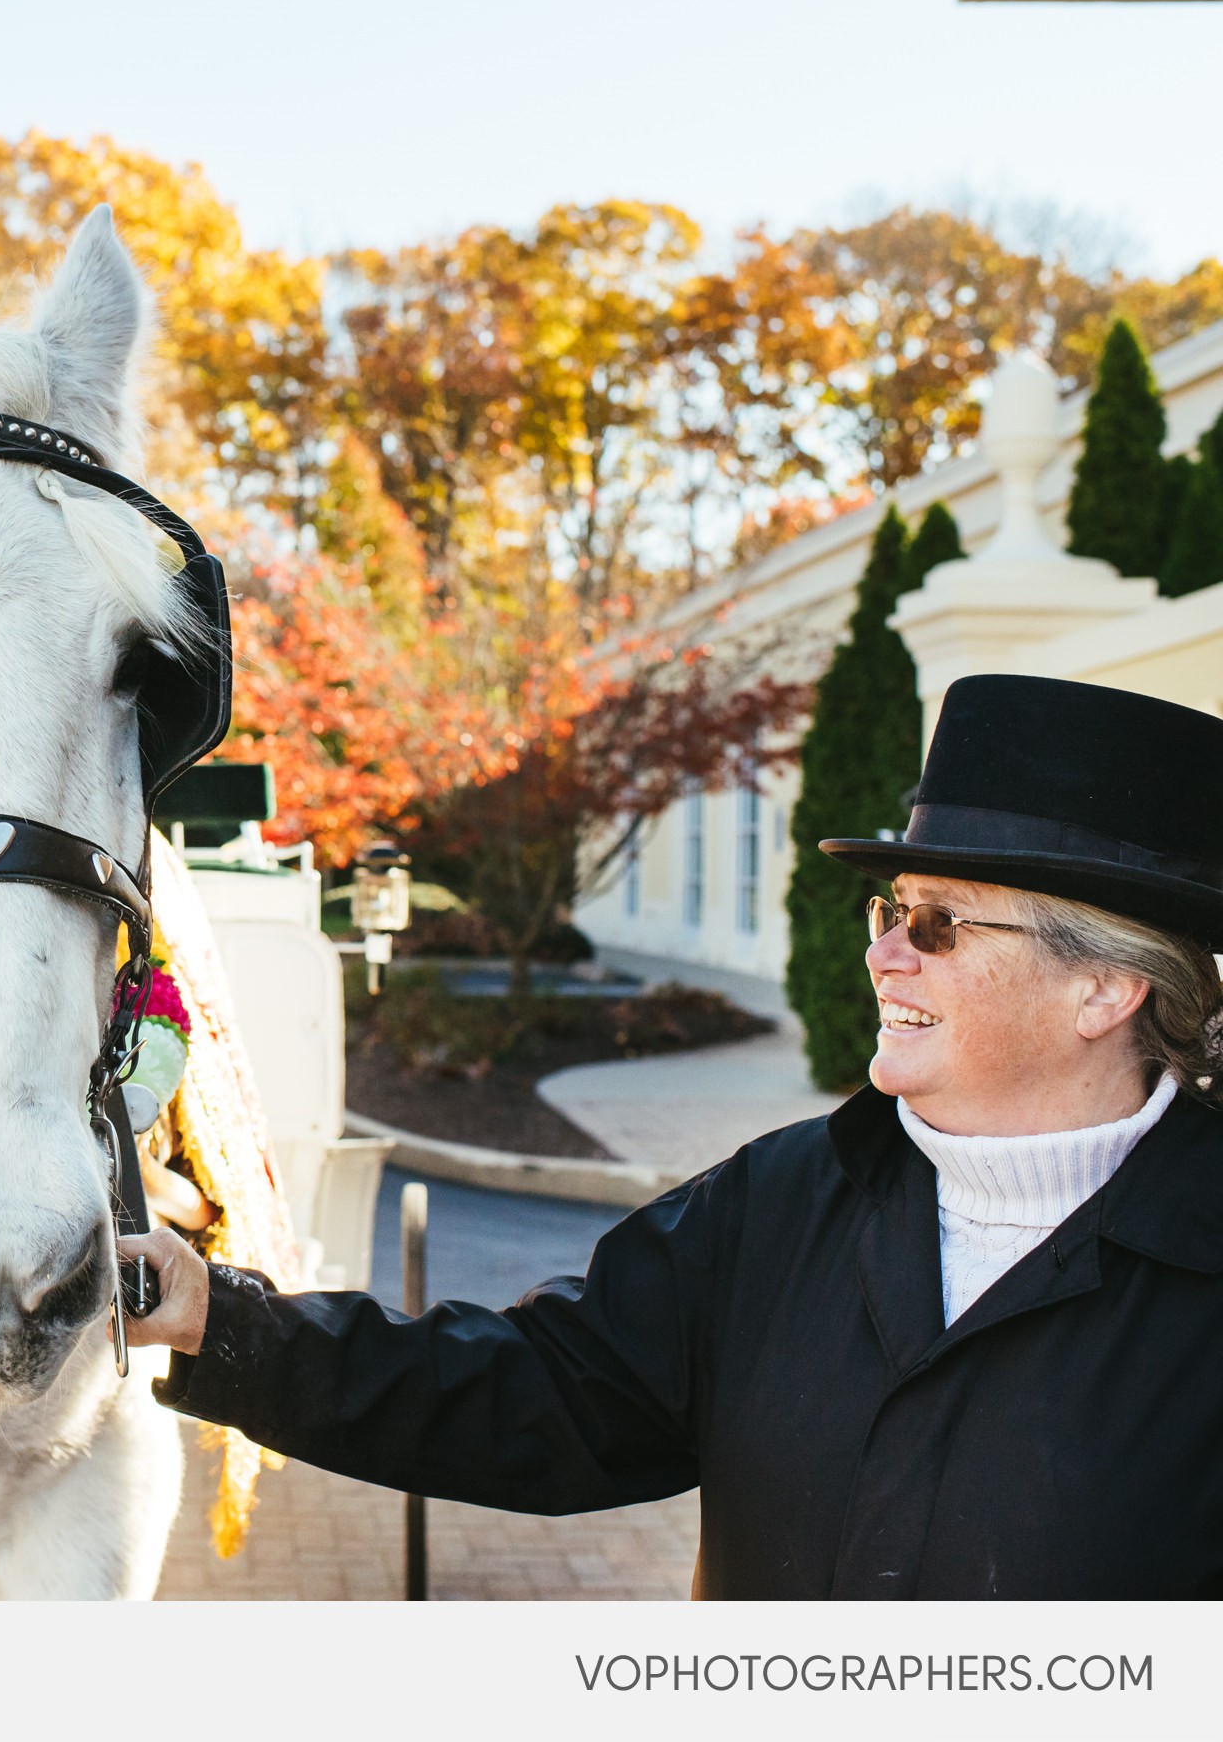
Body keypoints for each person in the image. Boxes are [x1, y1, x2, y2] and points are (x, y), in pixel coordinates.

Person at [119, 674, 1223, 1598]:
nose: (885, 956)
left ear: (1106, 987)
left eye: (939, 924)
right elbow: (533, 1393)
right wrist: (220, 1324)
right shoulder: (783, 1204)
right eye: (892, 912)